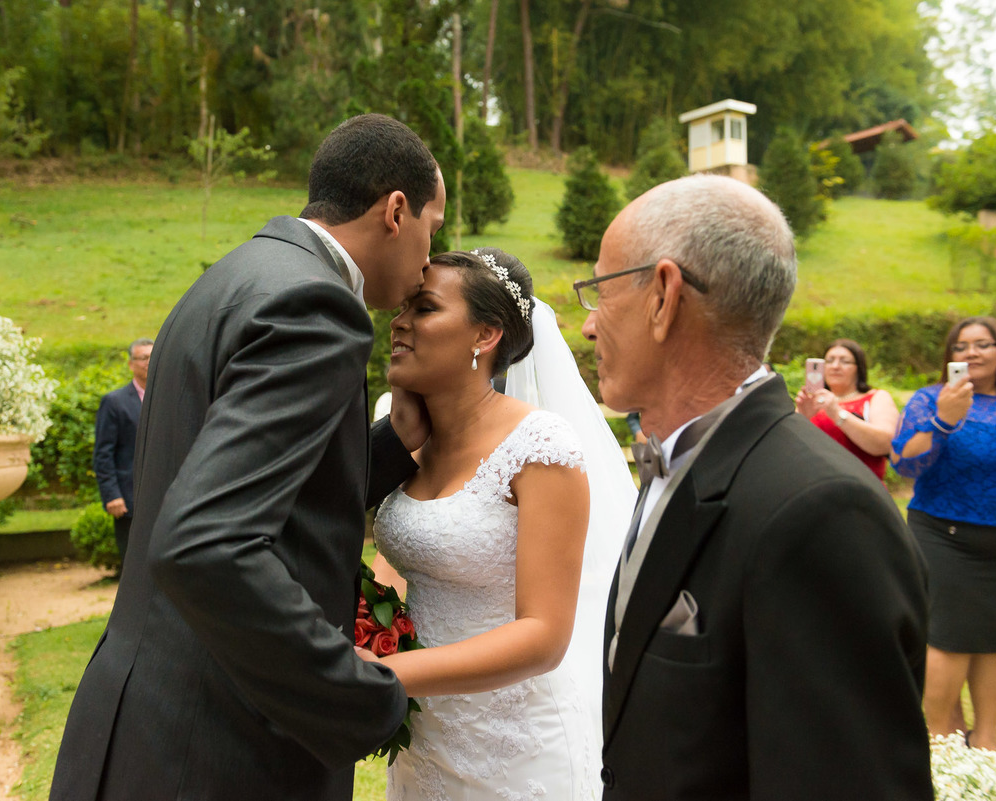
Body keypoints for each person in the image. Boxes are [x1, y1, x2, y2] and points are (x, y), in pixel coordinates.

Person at [49, 114, 446, 801]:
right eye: (432, 230)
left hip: (140, 710)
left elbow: (262, 487)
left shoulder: (230, 278)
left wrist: (395, 445)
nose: (428, 263)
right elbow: (203, 539)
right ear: (396, 211)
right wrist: (351, 692)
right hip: (220, 747)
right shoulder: (316, 305)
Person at [583, 174, 933, 799]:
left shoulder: (822, 514)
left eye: (601, 291)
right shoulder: (680, 460)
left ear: (663, 296)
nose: (587, 327)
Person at [367, 248, 635, 799]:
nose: (399, 322)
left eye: (424, 309)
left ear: (484, 336)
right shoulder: (398, 437)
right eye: (403, 308)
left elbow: (542, 636)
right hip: (424, 735)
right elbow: (392, 567)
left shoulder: (539, 447)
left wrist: (381, 676)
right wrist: (367, 635)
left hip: (517, 743)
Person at [892, 316, 996, 753]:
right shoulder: (929, 400)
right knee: (949, 639)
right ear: (950, 357)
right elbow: (905, 463)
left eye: (983, 344)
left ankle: (984, 744)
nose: (972, 353)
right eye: (962, 347)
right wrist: (943, 421)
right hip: (946, 537)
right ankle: (939, 742)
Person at [795, 338, 899, 481]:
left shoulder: (876, 398)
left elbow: (886, 444)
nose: (835, 366)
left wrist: (837, 414)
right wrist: (801, 417)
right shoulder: (810, 403)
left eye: (844, 361)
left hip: (862, 489)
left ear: (858, 367)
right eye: (830, 361)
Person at [93, 338, 153, 565]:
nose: (149, 362)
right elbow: (103, 453)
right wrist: (112, 494)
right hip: (128, 499)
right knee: (134, 565)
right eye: (143, 358)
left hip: (166, 496)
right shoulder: (114, 402)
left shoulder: (169, 398)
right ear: (131, 364)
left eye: (152, 357)